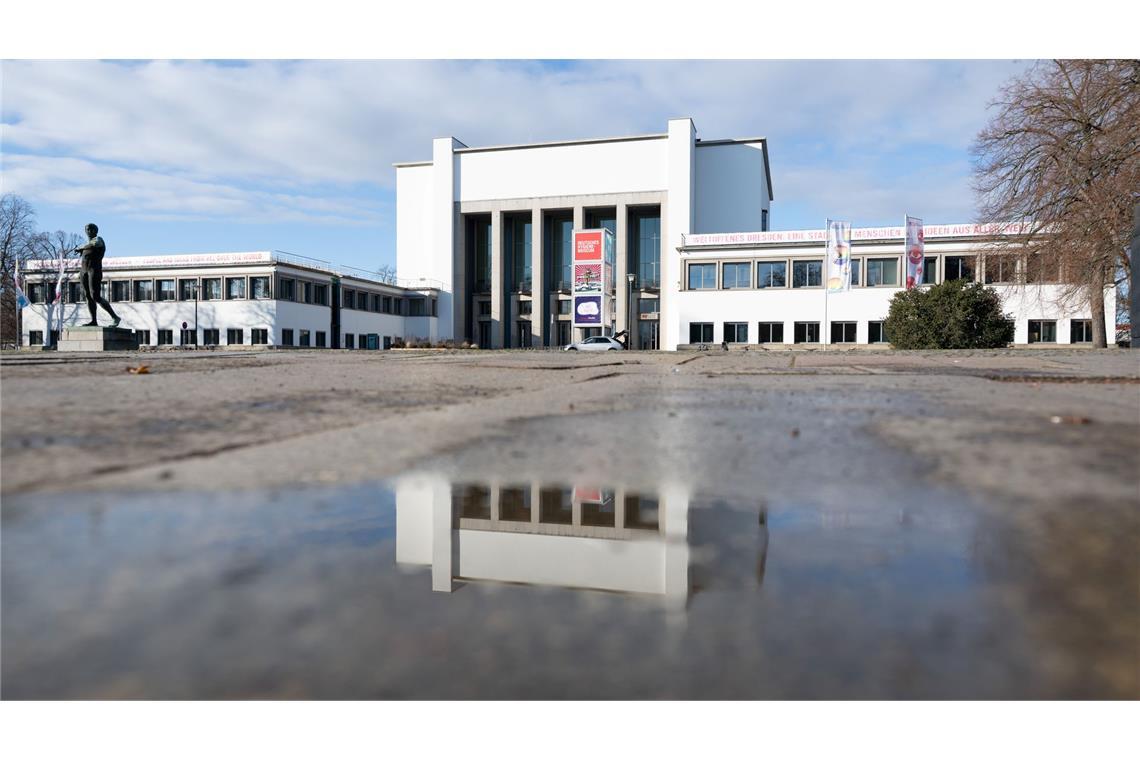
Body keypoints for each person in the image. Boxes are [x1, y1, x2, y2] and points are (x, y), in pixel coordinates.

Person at [73, 223, 120, 327]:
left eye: (90, 229)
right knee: (88, 296)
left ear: (95, 230)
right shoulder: (87, 244)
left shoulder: (98, 240)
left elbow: (95, 244)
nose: (88, 231)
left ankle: (114, 317)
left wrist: (81, 248)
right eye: (86, 229)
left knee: (95, 296)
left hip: (94, 270)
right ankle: (93, 320)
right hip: (83, 271)